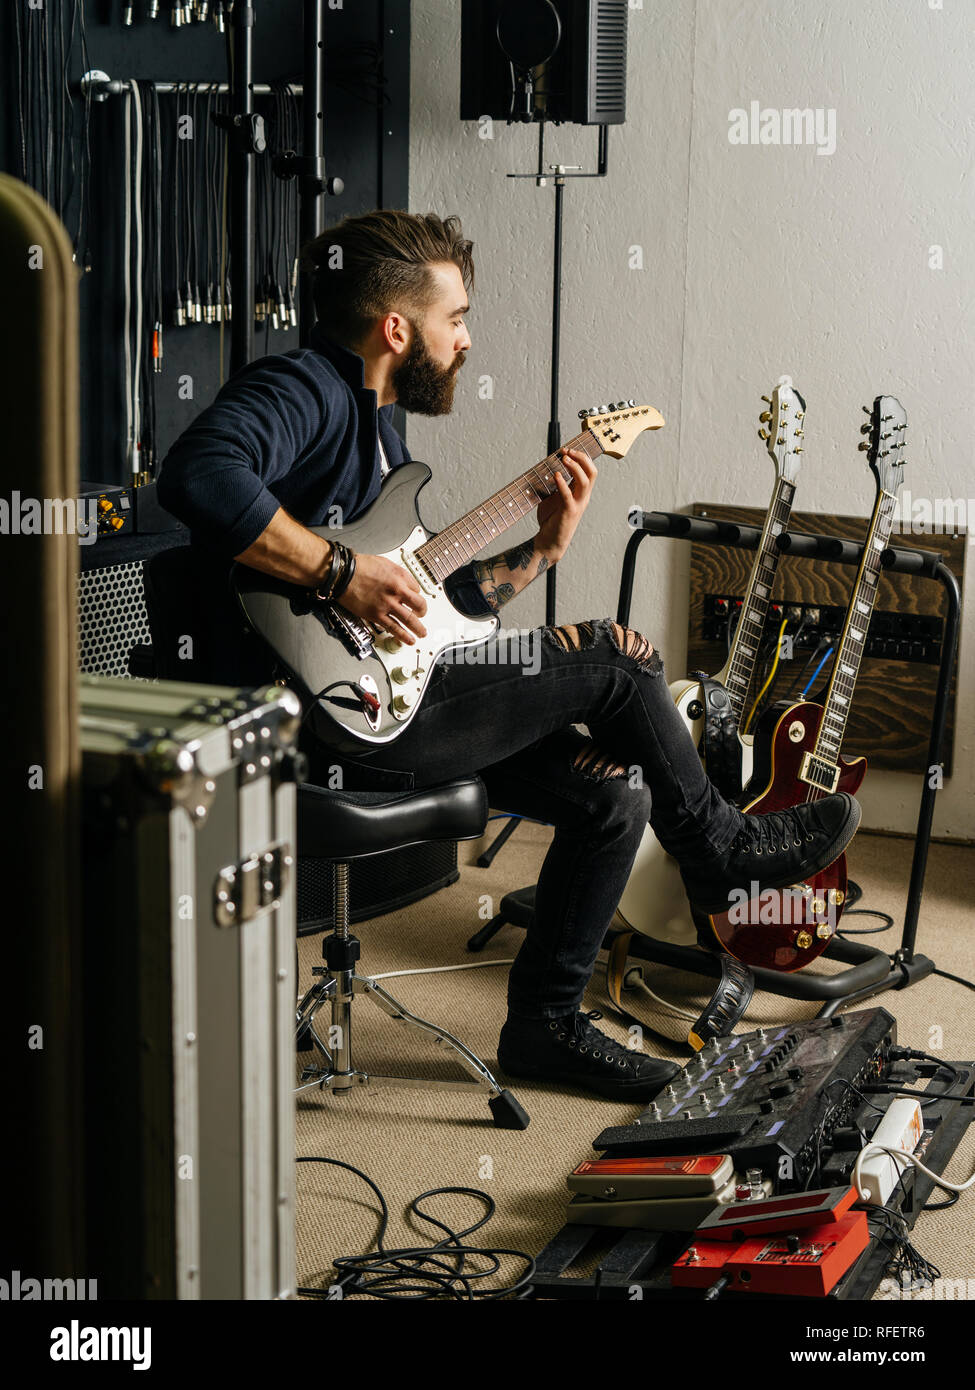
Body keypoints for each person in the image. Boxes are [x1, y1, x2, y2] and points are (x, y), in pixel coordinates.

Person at [157, 210, 860, 1101]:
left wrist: (542, 550)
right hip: (316, 719)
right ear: (397, 328)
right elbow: (196, 475)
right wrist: (339, 573)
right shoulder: (306, 388)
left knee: (615, 791)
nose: (467, 340)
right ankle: (722, 848)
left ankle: (544, 1026)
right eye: (455, 319)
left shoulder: (384, 435)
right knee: (615, 657)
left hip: (387, 695)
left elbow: (434, 611)